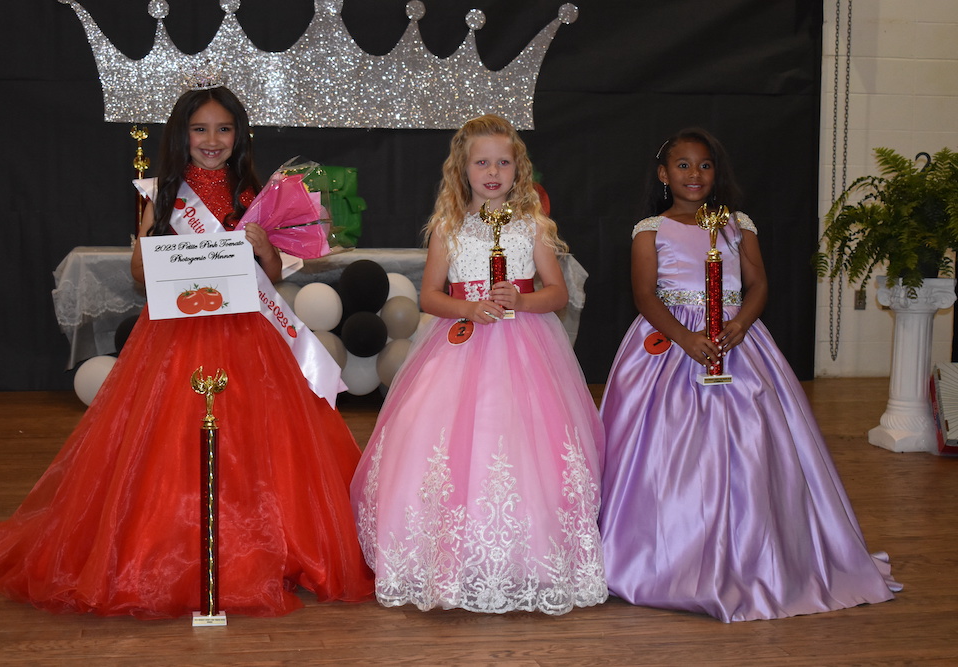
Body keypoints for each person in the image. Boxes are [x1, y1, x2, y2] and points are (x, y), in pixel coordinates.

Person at [0, 85, 373, 618]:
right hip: (177, 335)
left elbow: (270, 276)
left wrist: (263, 248)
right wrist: (170, 257)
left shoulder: (253, 194)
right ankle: (170, 549)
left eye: (224, 129)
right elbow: (138, 274)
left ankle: (271, 545)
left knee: (256, 441)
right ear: (182, 135)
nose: (212, 139)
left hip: (247, 334)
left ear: (238, 136)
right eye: (200, 129)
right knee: (167, 441)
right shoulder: (161, 193)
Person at [598, 127, 901, 622]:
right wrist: (684, 336)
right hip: (674, 344)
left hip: (739, 342)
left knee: (755, 444)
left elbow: (758, 282)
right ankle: (657, 555)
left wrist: (739, 323)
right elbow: (645, 295)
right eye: (682, 165)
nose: (694, 174)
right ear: (663, 174)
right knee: (666, 452)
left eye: (704, 165)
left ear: (717, 173)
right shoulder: (650, 228)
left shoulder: (737, 224)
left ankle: (761, 554)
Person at [350, 114, 607, 615]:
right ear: (462, 170)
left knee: (523, 445)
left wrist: (523, 299)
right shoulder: (448, 227)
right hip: (460, 345)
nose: (493, 171)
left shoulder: (533, 225)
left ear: (519, 169)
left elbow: (557, 293)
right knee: (446, 446)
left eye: (504, 162)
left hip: (526, 346)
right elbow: (429, 295)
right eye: (482, 162)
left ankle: (526, 559)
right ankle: (449, 560)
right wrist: (467, 307)